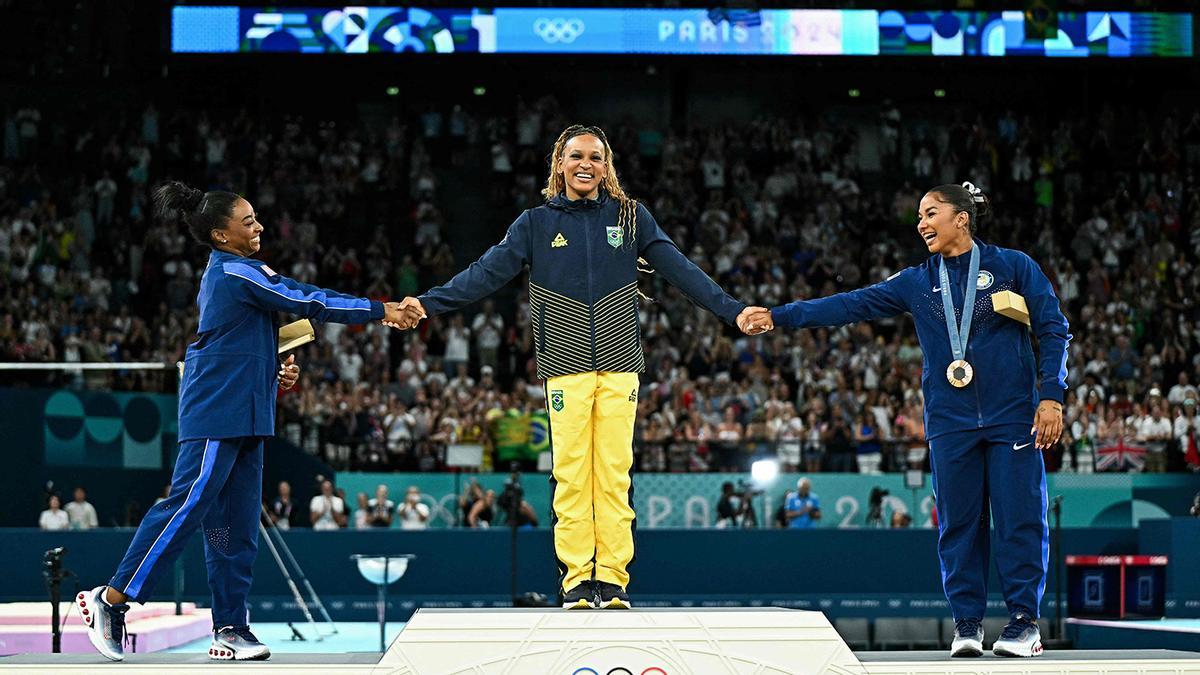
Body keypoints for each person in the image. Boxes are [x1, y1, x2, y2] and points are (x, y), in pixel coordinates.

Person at [388, 124, 765, 610]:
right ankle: (575, 581)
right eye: (576, 156)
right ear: (558, 165)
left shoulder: (631, 218)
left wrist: (731, 309)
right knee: (570, 474)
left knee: (613, 472)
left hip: (619, 363)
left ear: (606, 167)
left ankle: (611, 579)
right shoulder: (535, 224)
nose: (585, 164)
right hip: (564, 365)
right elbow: (484, 274)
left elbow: (679, 268)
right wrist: (429, 303)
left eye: (595, 157)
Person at [78, 181, 407, 663]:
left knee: (231, 529)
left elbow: (250, 335)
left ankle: (230, 626)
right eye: (248, 220)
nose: (260, 226)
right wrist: (383, 309)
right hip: (217, 409)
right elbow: (306, 299)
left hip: (249, 410)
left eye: (257, 218)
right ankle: (112, 600)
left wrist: (278, 369)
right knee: (187, 504)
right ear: (219, 234)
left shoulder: (238, 276)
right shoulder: (236, 272)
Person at [744, 182, 1070, 659]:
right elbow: (849, 304)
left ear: (961, 218)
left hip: (1013, 417)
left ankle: (1023, 623)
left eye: (931, 212)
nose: (921, 223)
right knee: (958, 524)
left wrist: (1052, 397)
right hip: (950, 421)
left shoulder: (1013, 266)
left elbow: (1053, 327)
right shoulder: (917, 281)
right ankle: (967, 624)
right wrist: (780, 315)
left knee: (1019, 519)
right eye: (919, 215)